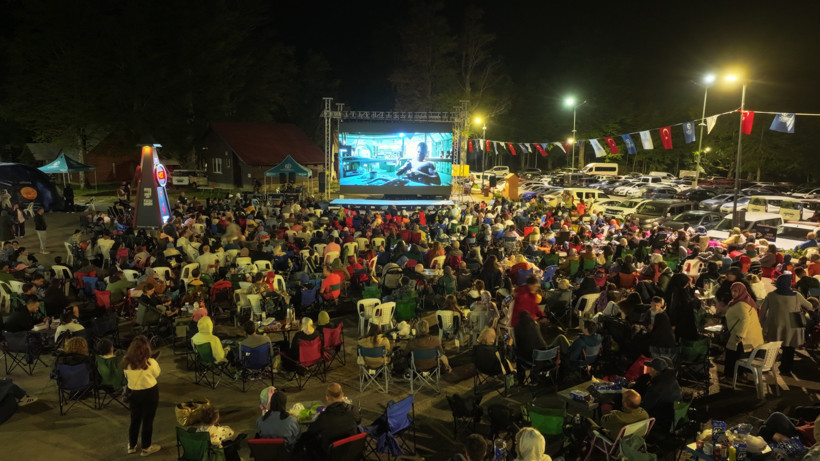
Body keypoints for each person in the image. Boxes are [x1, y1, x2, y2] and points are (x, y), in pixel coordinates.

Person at [760, 273, 812, 375]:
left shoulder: (771, 295)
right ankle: (786, 368)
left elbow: (763, 311)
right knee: (789, 348)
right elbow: (809, 306)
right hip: (793, 325)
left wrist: (762, 324)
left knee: (773, 347)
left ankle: (768, 366)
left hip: (775, 325)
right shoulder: (796, 295)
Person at [123, 335, 161, 456]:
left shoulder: (126, 363)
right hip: (150, 393)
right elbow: (157, 374)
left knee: (134, 420)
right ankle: (146, 447)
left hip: (134, 393)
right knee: (148, 421)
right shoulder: (151, 362)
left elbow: (126, 377)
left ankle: (132, 445)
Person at [300, 383, 361, 459]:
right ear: (342, 395)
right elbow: (358, 421)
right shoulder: (353, 410)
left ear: (327, 398)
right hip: (351, 452)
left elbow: (311, 432)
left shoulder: (324, 417)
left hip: (331, 454)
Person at [723, 282, 764, 380]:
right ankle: (740, 374)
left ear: (741, 291)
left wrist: (740, 335)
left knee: (731, 355)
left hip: (744, 336)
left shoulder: (741, 304)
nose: (733, 293)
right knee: (739, 356)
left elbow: (745, 320)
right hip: (752, 336)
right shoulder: (747, 300)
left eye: (736, 291)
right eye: (732, 291)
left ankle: (731, 377)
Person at [636, 356, 682, 433]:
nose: (649, 369)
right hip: (674, 420)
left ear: (656, 370)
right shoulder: (673, 381)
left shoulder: (655, 387)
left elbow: (644, 408)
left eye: (651, 367)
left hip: (659, 424)